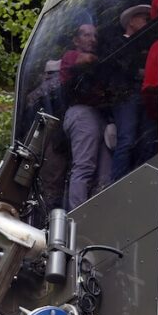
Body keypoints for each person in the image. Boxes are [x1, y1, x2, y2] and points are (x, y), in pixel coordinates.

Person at [61, 23, 111, 210]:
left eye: (95, 36)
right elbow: (88, 59)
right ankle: (78, 215)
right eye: (87, 35)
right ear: (76, 40)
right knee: (84, 167)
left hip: (99, 115)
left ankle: (97, 215)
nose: (92, 39)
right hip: (81, 112)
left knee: (105, 173)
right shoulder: (71, 56)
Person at [106, 3, 151, 180]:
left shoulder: (141, 47)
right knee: (127, 139)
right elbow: (120, 68)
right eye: (145, 19)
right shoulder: (119, 43)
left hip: (141, 95)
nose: (148, 23)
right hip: (126, 96)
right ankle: (117, 182)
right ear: (131, 21)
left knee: (143, 138)